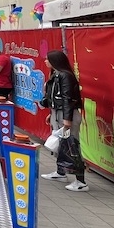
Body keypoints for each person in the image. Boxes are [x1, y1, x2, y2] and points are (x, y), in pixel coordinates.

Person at [40, 49, 88, 191]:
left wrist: (67, 119)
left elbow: (68, 98)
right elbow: (58, 98)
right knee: (61, 145)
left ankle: (81, 181)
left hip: (67, 115)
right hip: (59, 113)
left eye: (48, 59)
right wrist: (52, 113)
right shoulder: (57, 74)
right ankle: (61, 172)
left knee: (72, 145)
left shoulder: (65, 76)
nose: (45, 61)